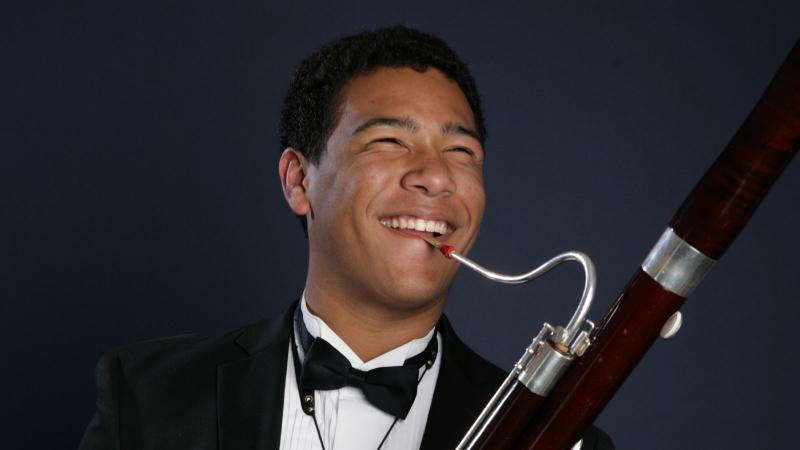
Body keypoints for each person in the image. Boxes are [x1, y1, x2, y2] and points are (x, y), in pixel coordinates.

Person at [79, 25, 614, 450]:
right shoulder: (149, 394)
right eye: (388, 140)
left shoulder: (559, 438)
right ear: (298, 180)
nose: (434, 175)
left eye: (461, 152)